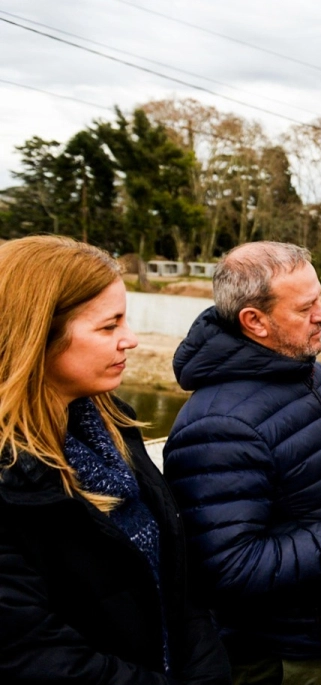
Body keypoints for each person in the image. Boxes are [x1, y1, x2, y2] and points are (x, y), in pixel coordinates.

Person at [163, 242, 321, 685]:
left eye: (320, 297)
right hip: (286, 658)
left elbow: (318, 478)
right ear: (254, 321)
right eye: (306, 306)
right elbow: (227, 568)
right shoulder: (218, 425)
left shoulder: (307, 371)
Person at [0, 236, 230, 684]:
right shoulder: (10, 479)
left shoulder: (113, 424)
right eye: (109, 327)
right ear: (36, 334)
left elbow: (176, 581)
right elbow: (32, 654)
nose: (131, 340)